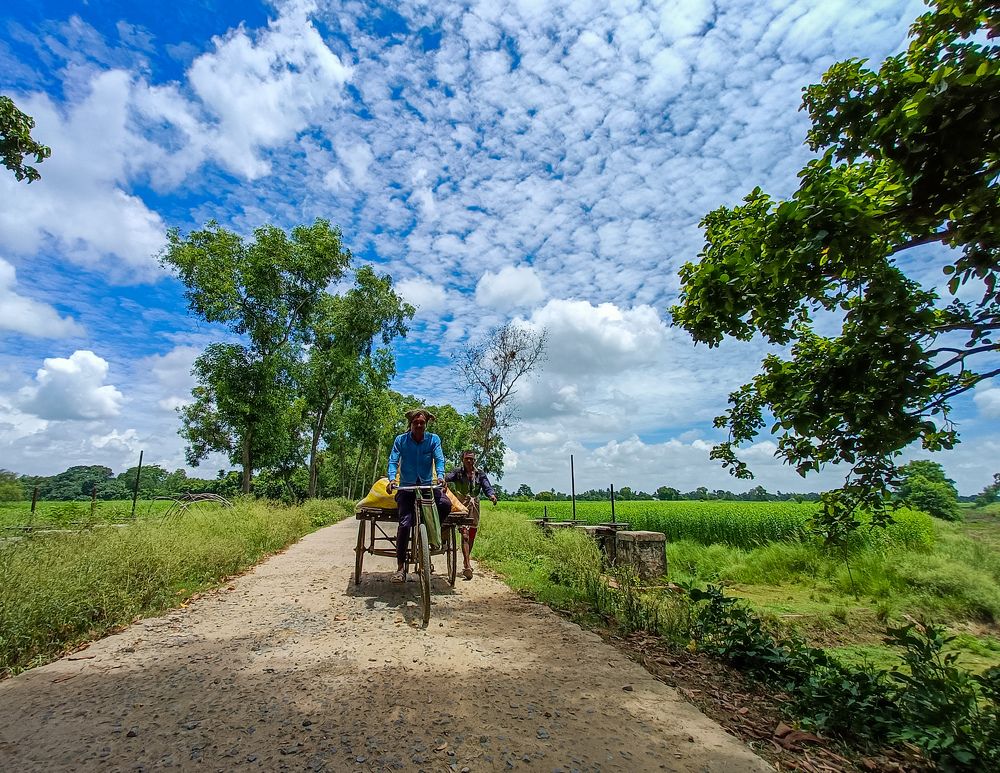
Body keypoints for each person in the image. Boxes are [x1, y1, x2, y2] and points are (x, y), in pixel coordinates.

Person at [386, 408, 451, 583]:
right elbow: (393, 461)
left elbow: (439, 459)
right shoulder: (401, 440)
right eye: (416, 423)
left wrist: (441, 476)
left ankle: (431, 536)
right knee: (405, 524)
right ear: (411, 424)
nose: (419, 425)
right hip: (406, 488)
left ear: (426, 424)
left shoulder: (433, 439)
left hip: (427, 486)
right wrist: (392, 479)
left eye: (422, 422)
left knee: (445, 505)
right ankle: (400, 568)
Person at [445, 449, 497, 580]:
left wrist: (491, 495)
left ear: (474, 460)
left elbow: (487, 487)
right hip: (461, 505)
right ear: (462, 460)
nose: (469, 461)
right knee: (465, 534)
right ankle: (467, 565)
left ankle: (466, 559)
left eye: (471, 459)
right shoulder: (457, 473)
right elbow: (447, 478)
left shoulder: (480, 474)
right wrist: (441, 480)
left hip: (475, 506)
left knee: (472, 533)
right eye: (467, 458)